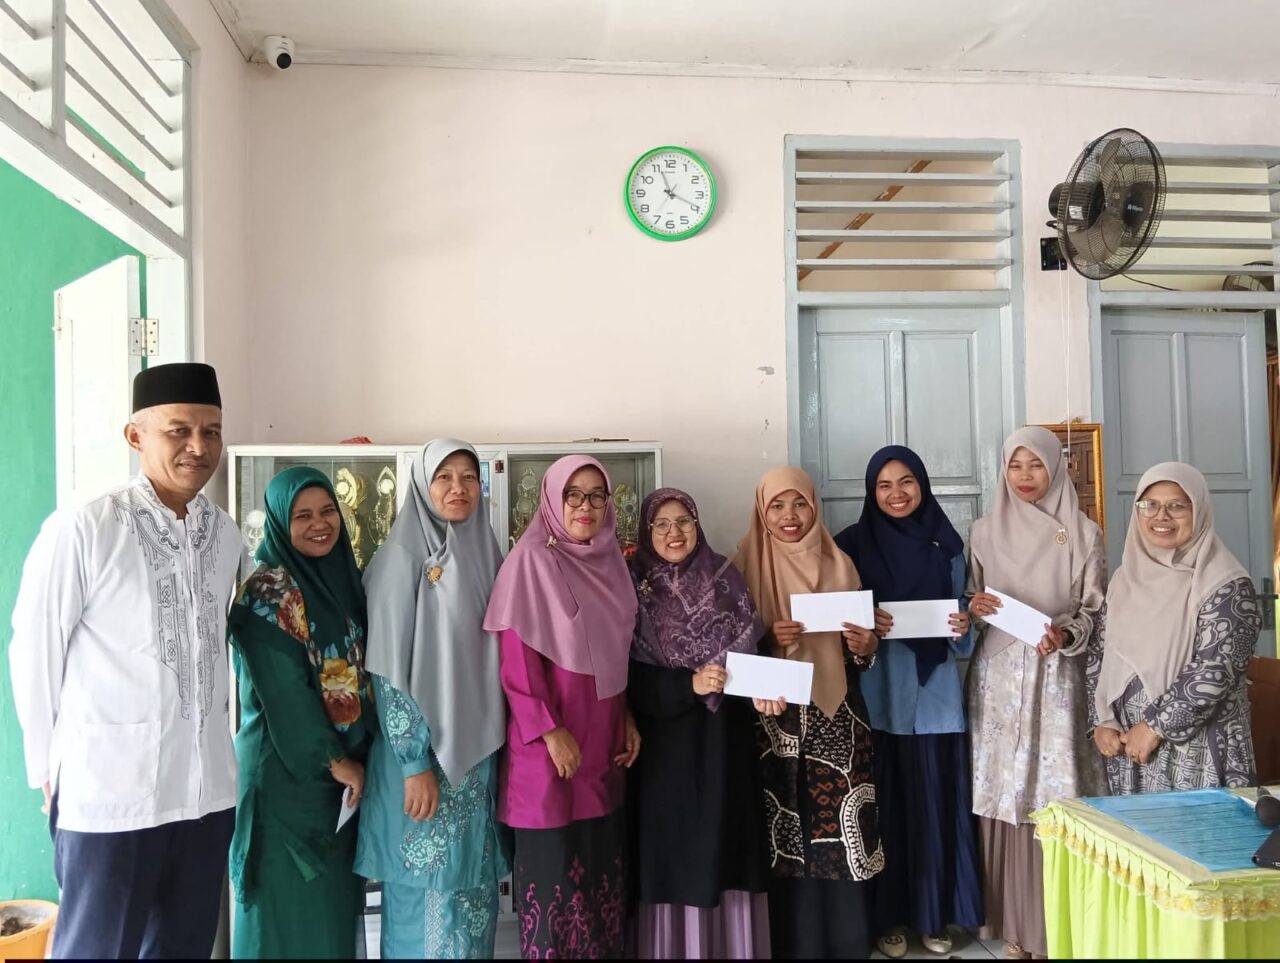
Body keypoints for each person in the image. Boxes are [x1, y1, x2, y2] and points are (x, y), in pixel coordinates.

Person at [9, 363, 240, 959]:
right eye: (179, 430)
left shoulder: (225, 536)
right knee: (97, 950)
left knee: (184, 948)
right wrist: (46, 767)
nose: (199, 447)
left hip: (206, 796)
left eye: (212, 431)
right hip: (111, 797)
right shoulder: (86, 527)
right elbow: (34, 648)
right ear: (136, 436)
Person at [356, 439, 511, 958]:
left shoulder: (485, 551)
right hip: (425, 766)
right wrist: (414, 761)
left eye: (468, 477)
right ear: (423, 485)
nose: (458, 488)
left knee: (471, 902)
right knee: (425, 906)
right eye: (444, 477)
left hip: (476, 767)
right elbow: (387, 671)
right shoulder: (400, 559)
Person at [484, 455, 642, 959]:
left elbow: (615, 656)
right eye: (573, 494)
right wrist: (550, 731)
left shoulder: (611, 563)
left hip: (603, 745)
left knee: (599, 887)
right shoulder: (530, 562)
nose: (585, 506)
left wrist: (628, 717)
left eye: (596, 495)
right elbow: (516, 664)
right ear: (552, 499)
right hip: (548, 752)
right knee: (556, 893)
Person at [834, 446, 982, 958]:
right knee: (885, 815)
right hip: (877, 699)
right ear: (871, 492)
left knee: (934, 811)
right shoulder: (849, 548)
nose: (896, 494)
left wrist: (964, 625)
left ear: (922, 485)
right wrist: (862, 624)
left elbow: (963, 626)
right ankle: (888, 919)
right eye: (884, 485)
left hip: (936, 699)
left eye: (906, 482)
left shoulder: (948, 545)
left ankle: (933, 917)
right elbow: (835, 623)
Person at [966, 426, 1107, 960]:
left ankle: (1060, 929)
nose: (1025, 476)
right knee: (1004, 793)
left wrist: (1066, 634)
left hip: (1057, 677)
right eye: (1015, 465)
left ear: (1056, 468)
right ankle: (1015, 930)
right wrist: (974, 606)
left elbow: (1095, 609)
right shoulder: (983, 532)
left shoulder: (1085, 533)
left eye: (1036, 465)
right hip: (998, 678)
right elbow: (970, 600)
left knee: (1055, 792)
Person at [734, 466, 884, 960]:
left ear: (814, 506)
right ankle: (791, 943)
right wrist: (765, 637)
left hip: (839, 718)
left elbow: (861, 653)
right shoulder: (741, 567)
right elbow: (727, 649)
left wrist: (866, 646)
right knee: (785, 831)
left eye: (799, 503)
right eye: (777, 505)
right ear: (762, 512)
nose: (790, 515)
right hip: (773, 721)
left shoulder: (841, 564)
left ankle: (846, 941)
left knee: (840, 830)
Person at [227, 467, 373, 958]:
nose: (319, 524)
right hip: (286, 781)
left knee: (327, 920)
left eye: (328, 511)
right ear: (278, 522)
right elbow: (284, 692)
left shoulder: (341, 579)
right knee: (282, 923)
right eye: (302, 515)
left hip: (337, 787)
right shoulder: (268, 592)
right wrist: (336, 760)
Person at [627, 487, 770, 959]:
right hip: (664, 749)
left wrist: (764, 689)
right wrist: (687, 685)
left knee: (725, 848)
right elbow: (623, 674)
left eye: (684, 522)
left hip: (724, 741)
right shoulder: (631, 585)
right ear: (647, 530)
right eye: (662, 524)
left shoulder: (727, 577)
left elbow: (754, 652)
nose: (674, 533)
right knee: (672, 855)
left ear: (697, 525)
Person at [1088, 462, 1259, 794]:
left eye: (1177, 506)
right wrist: (1102, 720)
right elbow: (1100, 652)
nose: (1161, 516)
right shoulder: (1125, 578)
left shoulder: (1227, 584)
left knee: (1196, 827)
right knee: (1137, 829)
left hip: (1198, 751)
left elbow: (1215, 670)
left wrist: (1155, 727)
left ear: (1199, 511)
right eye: (1149, 505)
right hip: (1130, 747)